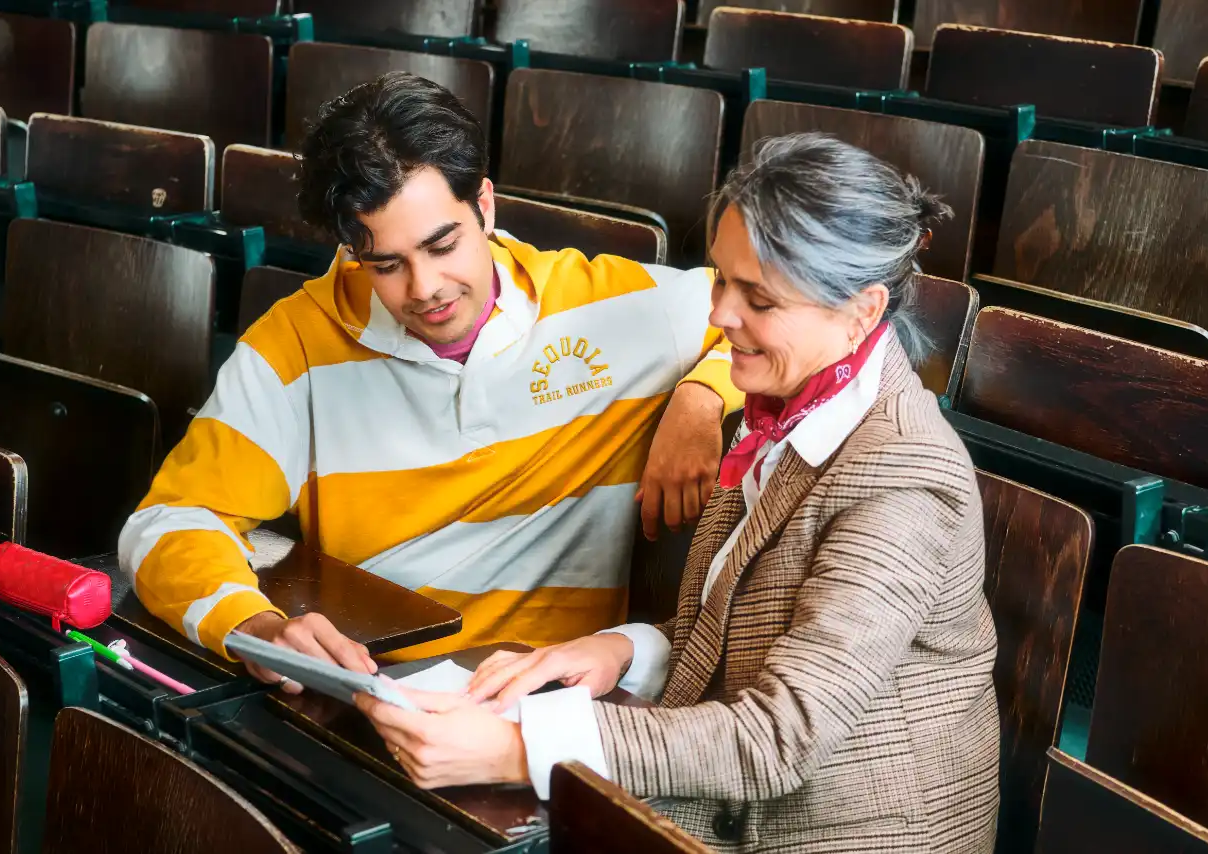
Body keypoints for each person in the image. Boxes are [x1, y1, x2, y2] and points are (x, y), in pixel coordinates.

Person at [354, 134, 1001, 853]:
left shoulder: (904, 480)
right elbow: (747, 632)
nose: (721, 315)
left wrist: (517, 747)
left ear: (860, 312)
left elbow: (777, 739)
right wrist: (619, 650)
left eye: (758, 298)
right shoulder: (791, 404)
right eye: (721, 280)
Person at [116, 72, 742, 682]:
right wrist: (254, 626)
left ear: (485, 206)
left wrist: (701, 396)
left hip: (542, 698)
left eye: (443, 246)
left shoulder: (612, 305)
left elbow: (798, 315)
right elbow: (166, 523)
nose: (426, 289)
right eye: (387, 264)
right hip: (368, 685)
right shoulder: (293, 347)